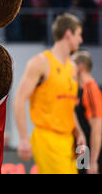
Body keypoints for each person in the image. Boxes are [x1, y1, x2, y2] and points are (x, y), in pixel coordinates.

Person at [14, 13, 84, 174]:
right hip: (47, 138)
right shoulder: (40, 62)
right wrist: (23, 139)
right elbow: (19, 100)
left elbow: (69, 106)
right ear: (68, 34)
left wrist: (79, 133)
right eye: (79, 35)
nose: (81, 40)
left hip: (69, 141)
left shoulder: (72, 67)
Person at [73, 51, 102, 174]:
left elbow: (97, 129)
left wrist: (93, 162)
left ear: (80, 66)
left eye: (72, 63)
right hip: (83, 148)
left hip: (91, 151)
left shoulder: (91, 89)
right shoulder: (79, 89)